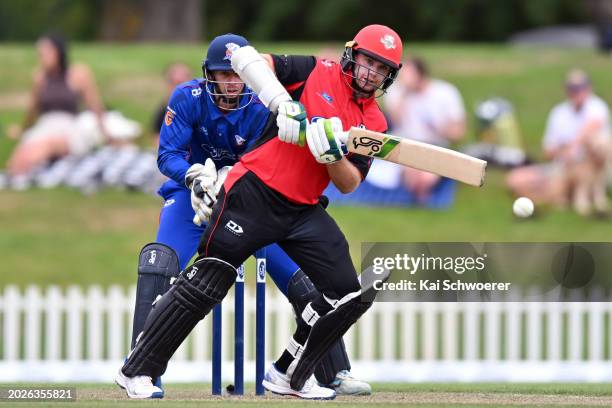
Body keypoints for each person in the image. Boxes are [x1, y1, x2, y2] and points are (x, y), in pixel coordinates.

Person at [118, 24, 402, 400]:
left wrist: (332, 156)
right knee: (208, 281)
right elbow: (249, 59)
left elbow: (349, 183)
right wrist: (280, 102)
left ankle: (289, 374)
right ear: (353, 55)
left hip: (302, 209)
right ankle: (137, 371)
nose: (371, 73)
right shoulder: (313, 69)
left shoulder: (375, 124)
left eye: (382, 69)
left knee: (346, 292)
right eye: (368, 62)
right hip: (255, 191)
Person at [506, 69, 611, 216]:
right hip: (562, 167)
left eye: (580, 87)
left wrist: (572, 146)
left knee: (583, 168)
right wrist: (564, 150)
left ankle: (568, 196)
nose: (576, 91)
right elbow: (548, 152)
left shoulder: (597, 106)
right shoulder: (559, 113)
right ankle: (557, 196)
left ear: (588, 88)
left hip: (591, 170)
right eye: (572, 87)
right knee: (515, 180)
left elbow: (593, 127)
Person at [6, 33, 107, 178]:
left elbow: (95, 106)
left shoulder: (78, 74)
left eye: (46, 52)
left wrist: (107, 134)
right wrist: (22, 130)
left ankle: (27, 174)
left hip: (69, 126)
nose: (42, 57)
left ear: (58, 52)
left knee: (45, 145)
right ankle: (20, 177)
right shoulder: (40, 78)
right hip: (45, 124)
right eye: (40, 54)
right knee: (17, 159)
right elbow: (32, 110)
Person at [384, 56, 466, 203]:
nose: (404, 80)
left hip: (435, 145)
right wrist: (405, 94)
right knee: (413, 173)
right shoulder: (397, 92)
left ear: (421, 74)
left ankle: (421, 195)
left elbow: (458, 132)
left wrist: (441, 130)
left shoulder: (445, 92)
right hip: (404, 145)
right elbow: (393, 121)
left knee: (426, 178)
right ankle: (419, 195)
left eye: (408, 75)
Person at [150, 62, 192, 145]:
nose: (179, 89)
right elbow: (157, 142)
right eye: (174, 83)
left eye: (182, 83)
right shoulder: (163, 112)